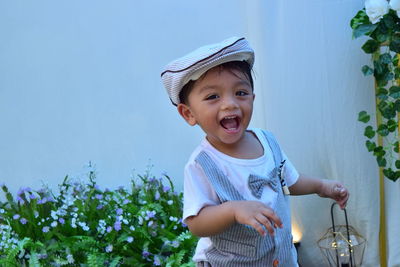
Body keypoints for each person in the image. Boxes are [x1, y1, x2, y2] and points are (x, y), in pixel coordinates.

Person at [161, 37, 349, 267]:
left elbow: (289, 181)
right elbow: (196, 223)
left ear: (252, 98)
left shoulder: (267, 141)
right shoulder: (202, 164)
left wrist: (322, 186)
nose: (230, 104)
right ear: (189, 114)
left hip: (282, 258)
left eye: (240, 92)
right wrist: (232, 210)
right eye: (213, 96)